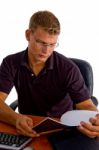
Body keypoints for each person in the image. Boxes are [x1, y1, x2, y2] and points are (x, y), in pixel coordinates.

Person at [0, 10, 99, 150]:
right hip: (28, 127)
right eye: (41, 42)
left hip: (62, 131)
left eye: (52, 44)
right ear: (28, 35)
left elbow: (87, 106)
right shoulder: (10, 63)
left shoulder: (68, 68)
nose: (46, 51)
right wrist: (16, 118)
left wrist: (96, 120)